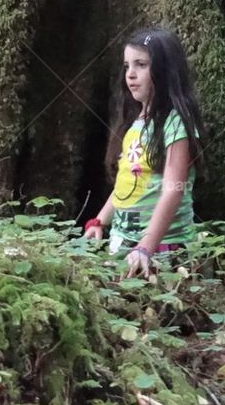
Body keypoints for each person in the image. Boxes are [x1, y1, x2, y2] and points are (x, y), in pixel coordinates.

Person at [84, 26, 204, 278]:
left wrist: (146, 247)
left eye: (141, 65)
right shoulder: (134, 124)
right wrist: (100, 221)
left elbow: (174, 189)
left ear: (164, 71)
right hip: (124, 243)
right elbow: (127, 184)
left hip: (162, 249)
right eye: (127, 66)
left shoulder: (176, 123)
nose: (130, 74)